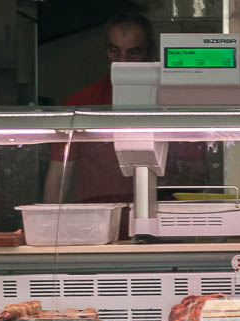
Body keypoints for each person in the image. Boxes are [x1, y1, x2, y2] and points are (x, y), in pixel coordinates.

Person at [42, 13, 206, 205]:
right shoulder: (81, 103)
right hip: (98, 219)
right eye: (114, 51)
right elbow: (59, 174)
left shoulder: (174, 103)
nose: (122, 61)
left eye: (133, 52)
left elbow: (198, 170)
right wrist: (49, 224)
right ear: (106, 51)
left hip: (161, 216)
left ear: (150, 52)